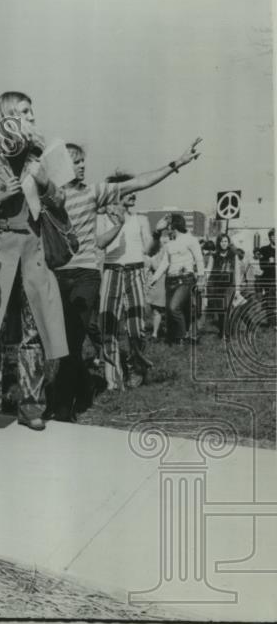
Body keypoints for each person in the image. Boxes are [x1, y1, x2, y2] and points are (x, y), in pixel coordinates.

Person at [47, 138, 201, 420]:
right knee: (64, 342)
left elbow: (138, 183)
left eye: (83, 162)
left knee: (74, 338)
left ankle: (62, 406)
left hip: (86, 274)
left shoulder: (95, 192)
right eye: (75, 162)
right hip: (56, 273)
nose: (82, 166)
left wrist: (176, 164)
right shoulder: (50, 196)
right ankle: (83, 387)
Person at [0, 92, 68, 432]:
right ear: (6, 116)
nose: (32, 117)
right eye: (24, 112)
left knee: (32, 332)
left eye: (32, 111)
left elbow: (61, 202)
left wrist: (45, 182)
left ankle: (31, 406)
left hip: (34, 253)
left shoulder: (40, 158)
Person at [95, 173, 154, 389]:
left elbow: (147, 248)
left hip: (135, 272)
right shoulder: (101, 218)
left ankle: (137, 369)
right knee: (108, 327)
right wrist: (118, 224)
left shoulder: (141, 219)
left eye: (135, 190)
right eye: (128, 190)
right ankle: (113, 379)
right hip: (112, 272)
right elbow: (100, 242)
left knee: (137, 327)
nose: (134, 193)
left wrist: (155, 237)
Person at [147, 213, 206, 344]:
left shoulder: (190, 239)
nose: (167, 227)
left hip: (186, 279)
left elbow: (199, 259)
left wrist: (201, 279)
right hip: (171, 280)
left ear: (175, 224)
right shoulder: (169, 242)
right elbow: (165, 263)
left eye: (168, 223)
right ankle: (183, 336)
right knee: (173, 310)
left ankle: (183, 337)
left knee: (174, 308)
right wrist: (154, 279)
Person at [204, 233, 242, 339]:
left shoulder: (233, 255)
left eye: (225, 241)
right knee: (221, 309)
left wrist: (238, 289)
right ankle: (222, 331)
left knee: (227, 308)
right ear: (218, 243)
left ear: (228, 242)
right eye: (221, 241)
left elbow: (237, 272)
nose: (224, 244)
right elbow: (209, 270)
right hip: (217, 285)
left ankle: (227, 332)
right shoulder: (214, 255)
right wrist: (206, 285)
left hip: (230, 285)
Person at [259, 228, 276, 327]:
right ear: (270, 237)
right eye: (273, 236)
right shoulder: (264, 250)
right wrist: (270, 262)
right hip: (269, 279)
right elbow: (262, 266)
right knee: (270, 301)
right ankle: (272, 322)